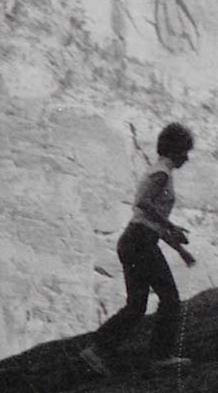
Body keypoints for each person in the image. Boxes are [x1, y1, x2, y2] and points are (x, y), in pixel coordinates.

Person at [81, 122, 197, 376]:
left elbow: (147, 220)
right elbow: (142, 204)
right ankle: (160, 356)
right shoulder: (162, 174)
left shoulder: (158, 172)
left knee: (137, 305)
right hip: (140, 242)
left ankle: (98, 348)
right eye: (185, 152)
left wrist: (179, 249)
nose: (187, 158)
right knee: (170, 299)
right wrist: (172, 227)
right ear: (175, 149)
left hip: (135, 240)